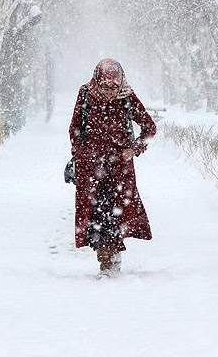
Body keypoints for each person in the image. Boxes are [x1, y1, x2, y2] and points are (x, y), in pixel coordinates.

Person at [69, 58, 157, 277]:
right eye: (106, 86)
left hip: (120, 169)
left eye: (114, 86)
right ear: (98, 80)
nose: (110, 91)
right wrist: (80, 153)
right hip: (91, 168)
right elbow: (75, 128)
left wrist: (134, 149)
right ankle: (106, 258)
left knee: (114, 214)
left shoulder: (127, 97)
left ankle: (110, 261)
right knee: (95, 215)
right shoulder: (86, 94)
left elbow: (149, 127)